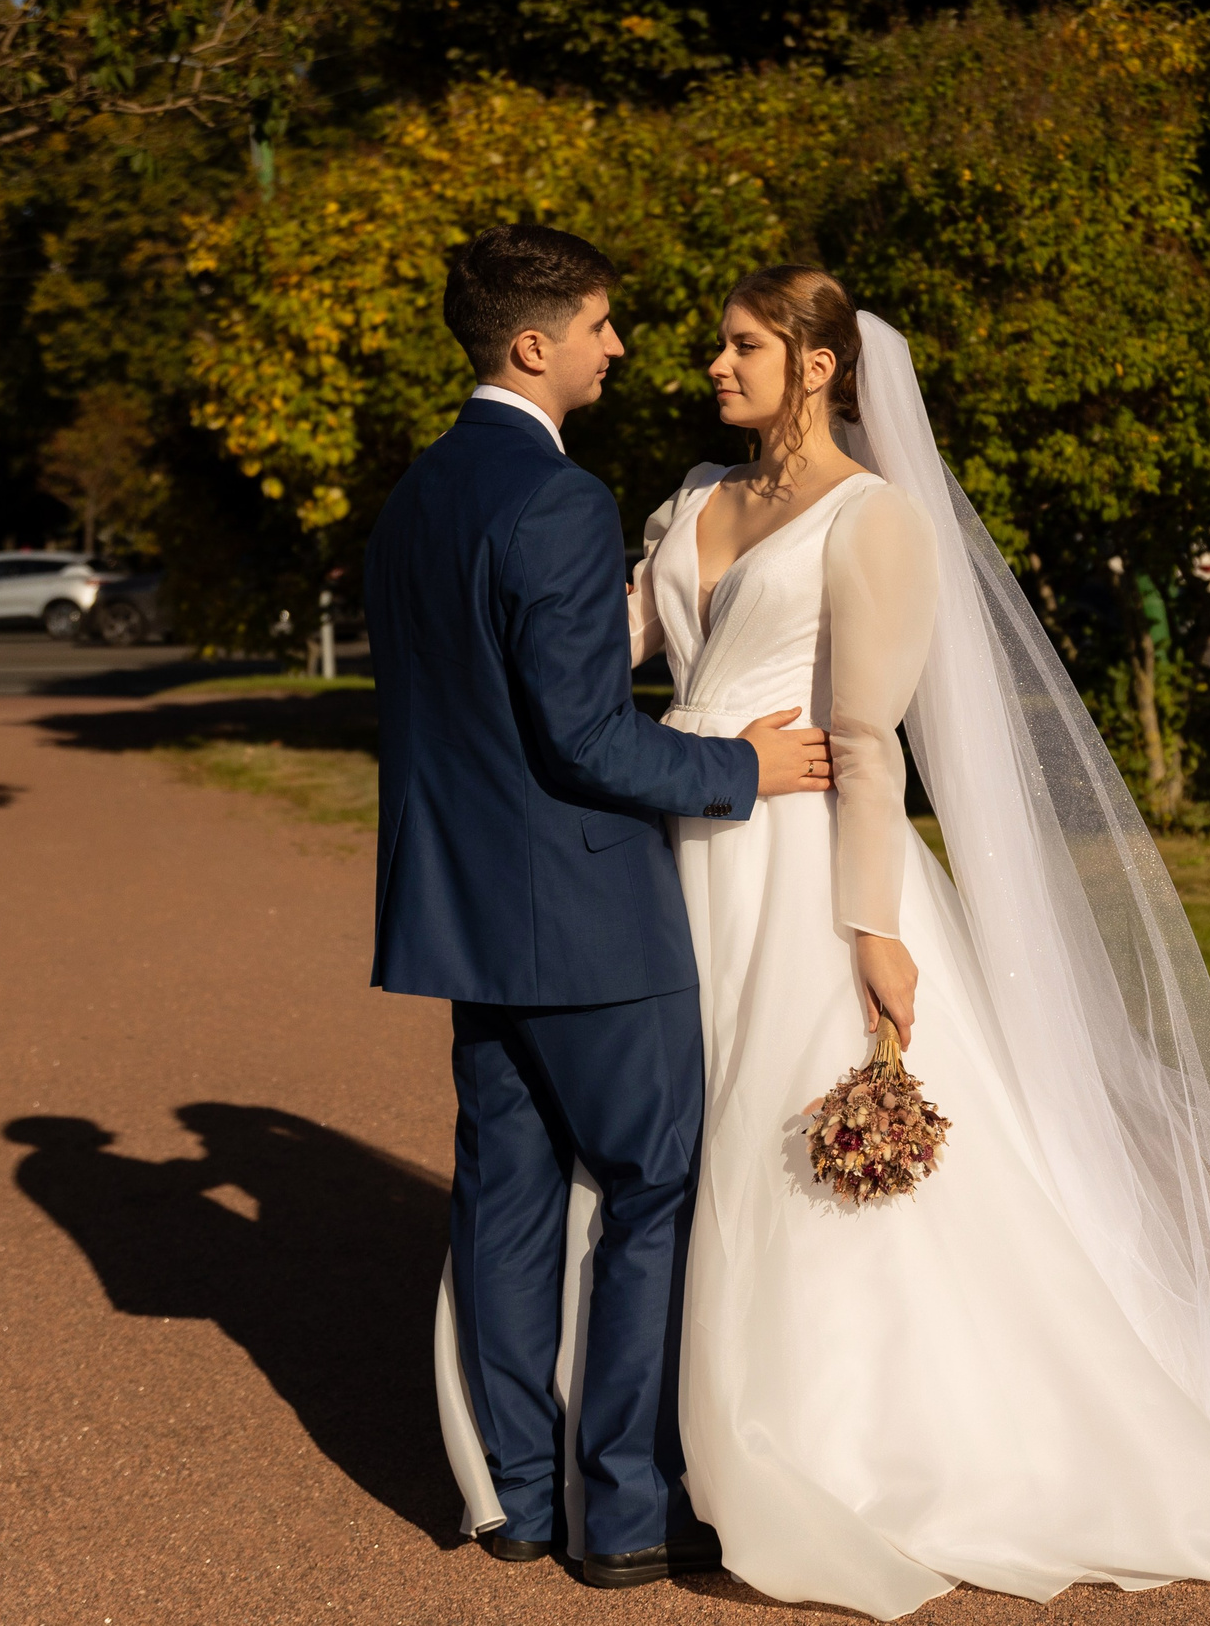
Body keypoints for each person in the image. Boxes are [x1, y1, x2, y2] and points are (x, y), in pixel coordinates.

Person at [435, 264, 1210, 1619]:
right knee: (657, 1155)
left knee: (768, 1151)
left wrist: (872, 929)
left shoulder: (877, 521)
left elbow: (866, 744)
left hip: (796, 873)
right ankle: (629, 1448)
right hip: (662, 860)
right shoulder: (691, 500)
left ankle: (812, 1440)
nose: (710, 368)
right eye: (714, 347)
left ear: (818, 366)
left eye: (742, 348)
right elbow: (590, 658)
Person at [365, 225, 834, 1588]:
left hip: (461, 915)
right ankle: (624, 1510)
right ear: (535, 346)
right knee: (651, 1190)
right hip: (585, 920)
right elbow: (587, 742)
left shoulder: (419, 497)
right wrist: (740, 766)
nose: (618, 346)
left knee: (506, 1201)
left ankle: (514, 1494)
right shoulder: (556, 503)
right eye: (600, 325)